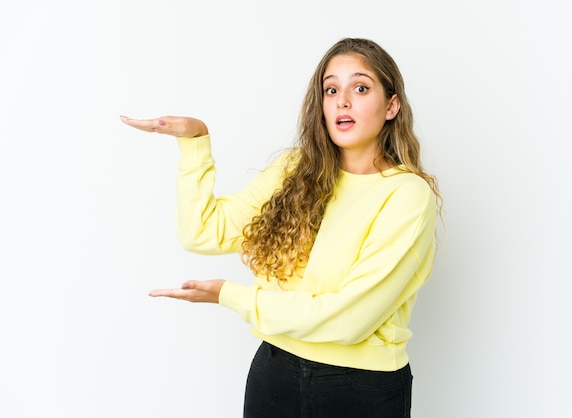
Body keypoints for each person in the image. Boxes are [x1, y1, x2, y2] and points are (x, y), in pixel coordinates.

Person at [121, 37, 442, 418]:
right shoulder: (296, 170)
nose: (342, 101)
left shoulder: (406, 195)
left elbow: (349, 320)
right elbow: (203, 231)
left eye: (360, 87)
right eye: (331, 89)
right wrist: (194, 144)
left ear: (392, 106)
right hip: (274, 373)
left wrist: (234, 296)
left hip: (358, 389)